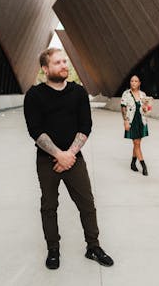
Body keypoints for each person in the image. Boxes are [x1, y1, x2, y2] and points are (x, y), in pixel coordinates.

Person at [24, 48, 114, 270]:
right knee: (49, 206)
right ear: (45, 69)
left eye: (65, 61)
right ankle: (53, 250)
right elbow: (35, 130)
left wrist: (69, 155)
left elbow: (86, 125)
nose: (64, 65)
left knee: (87, 204)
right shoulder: (34, 95)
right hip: (47, 161)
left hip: (74, 159)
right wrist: (58, 155)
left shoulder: (78, 92)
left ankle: (93, 246)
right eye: (58, 62)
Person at [120, 75, 150, 176]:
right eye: (132, 81)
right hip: (131, 121)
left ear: (139, 83)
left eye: (136, 81)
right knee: (136, 143)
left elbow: (145, 109)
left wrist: (146, 108)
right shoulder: (126, 94)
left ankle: (133, 163)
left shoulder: (143, 94)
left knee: (137, 144)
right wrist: (125, 121)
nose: (133, 83)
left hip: (141, 121)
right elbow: (123, 107)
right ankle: (144, 165)